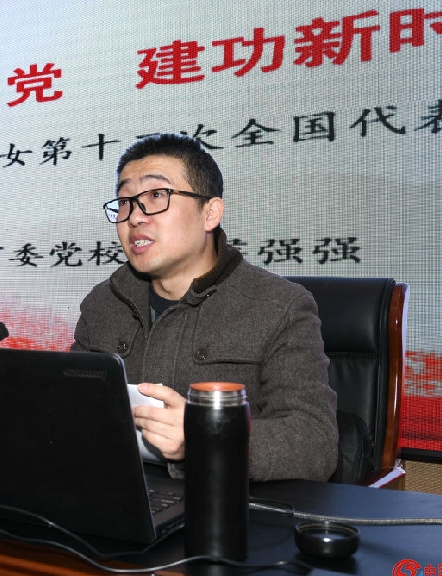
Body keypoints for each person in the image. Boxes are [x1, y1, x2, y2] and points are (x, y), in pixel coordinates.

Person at [71, 133, 338, 482]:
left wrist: (205, 436)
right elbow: (71, 413)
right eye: (125, 202)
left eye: (156, 195)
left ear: (210, 213)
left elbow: (315, 443)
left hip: (223, 501)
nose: (135, 217)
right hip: (114, 493)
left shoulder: (280, 306)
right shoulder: (103, 303)